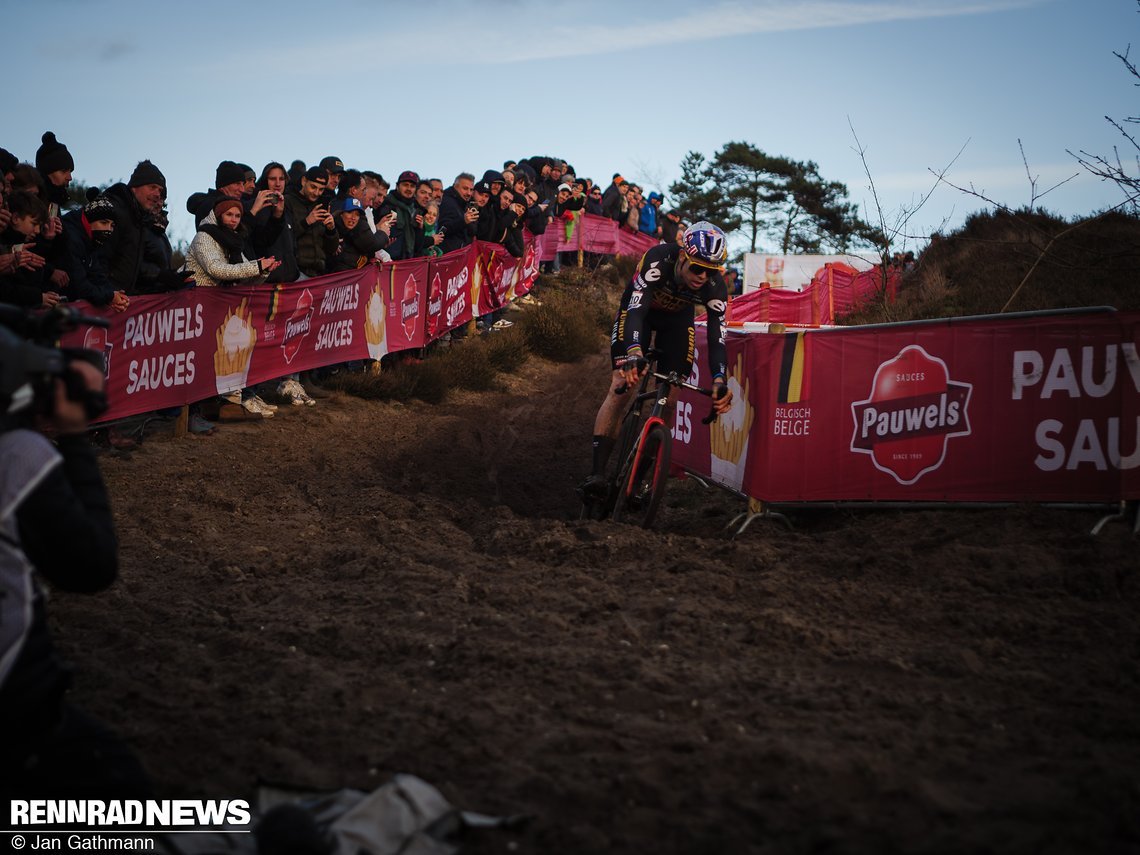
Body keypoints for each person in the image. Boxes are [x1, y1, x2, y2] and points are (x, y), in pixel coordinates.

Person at [0, 330, 151, 798]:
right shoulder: (18, 457)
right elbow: (92, 565)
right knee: (124, 792)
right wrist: (73, 433)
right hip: (17, 704)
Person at [581, 221, 735, 497]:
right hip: (639, 314)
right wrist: (634, 354)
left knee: (671, 399)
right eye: (696, 267)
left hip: (677, 322)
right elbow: (636, 312)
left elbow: (716, 338)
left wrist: (719, 379)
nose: (702, 276)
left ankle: (637, 481)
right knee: (621, 385)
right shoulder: (658, 260)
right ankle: (597, 473)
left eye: (710, 270)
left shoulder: (715, 288)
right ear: (682, 256)